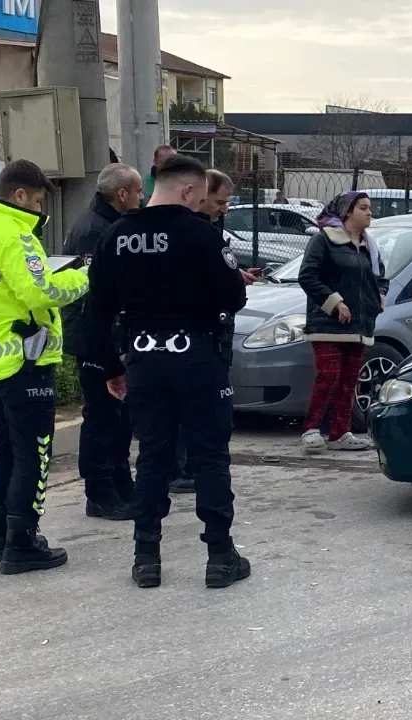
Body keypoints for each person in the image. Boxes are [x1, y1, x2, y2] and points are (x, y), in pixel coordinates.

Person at [85, 155, 250, 589]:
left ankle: (146, 557)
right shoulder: (202, 234)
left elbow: (96, 310)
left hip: (142, 357)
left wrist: (110, 365)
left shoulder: (117, 235)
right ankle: (219, 556)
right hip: (195, 355)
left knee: (153, 455)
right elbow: (233, 297)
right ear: (190, 190)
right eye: (199, 196)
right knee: (210, 454)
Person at [0, 160, 90, 574]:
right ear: (19, 196)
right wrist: (85, 277)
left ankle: (0, 538)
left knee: (3, 448)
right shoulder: (14, 234)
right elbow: (40, 289)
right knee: (33, 452)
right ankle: (23, 542)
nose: (39, 208)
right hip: (23, 359)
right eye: (37, 200)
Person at [62, 163, 143, 521]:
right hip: (94, 336)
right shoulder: (95, 230)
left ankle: (121, 482)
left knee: (120, 417)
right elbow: (96, 294)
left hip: (110, 334)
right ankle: (100, 491)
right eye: (138, 191)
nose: (141, 197)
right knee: (101, 417)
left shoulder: (110, 223)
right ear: (121, 194)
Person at [297, 192, 385, 453]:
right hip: (327, 324)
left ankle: (340, 433)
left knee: (349, 380)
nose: (370, 213)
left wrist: (377, 300)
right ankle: (311, 428)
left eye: (370, 208)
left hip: (360, 325)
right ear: (348, 212)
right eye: (364, 208)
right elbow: (308, 276)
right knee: (330, 375)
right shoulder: (323, 240)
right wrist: (334, 302)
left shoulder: (370, 246)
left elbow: (381, 278)